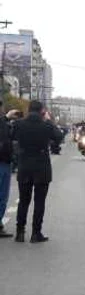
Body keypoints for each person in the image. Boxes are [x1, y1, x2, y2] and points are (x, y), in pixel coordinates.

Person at [12, 100, 64, 243]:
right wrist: (49, 121)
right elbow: (59, 137)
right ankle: (36, 233)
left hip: (24, 165)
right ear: (42, 111)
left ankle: (20, 232)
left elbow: (11, 137)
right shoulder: (46, 125)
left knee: (23, 201)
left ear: (28, 110)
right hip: (41, 167)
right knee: (39, 201)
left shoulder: (18, 124)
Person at [0, 101, 17, 238]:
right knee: (2, 197)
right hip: (2, 163)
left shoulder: (4, 123)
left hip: (5, 162)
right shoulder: (2, 123)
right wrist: (6, 118)